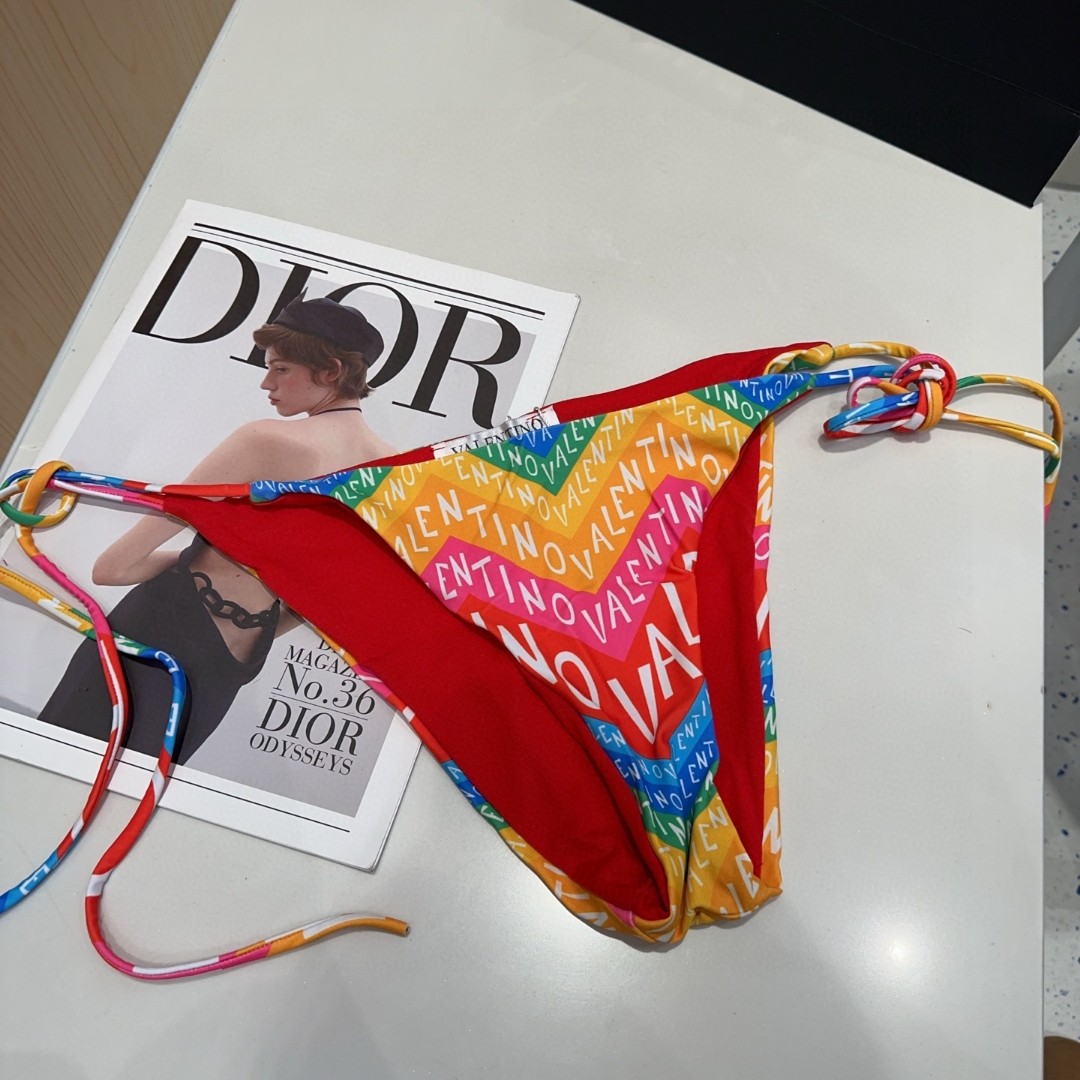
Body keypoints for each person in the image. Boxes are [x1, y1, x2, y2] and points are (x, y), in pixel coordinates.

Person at [38, 296, 395, 764]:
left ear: (330, 371)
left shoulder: (265, 439)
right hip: (236, 662)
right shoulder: (391, 475)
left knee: (46, 768)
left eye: (281, 369)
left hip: (155, 630)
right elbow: (327, 601)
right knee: (132, 790)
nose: (266, 383)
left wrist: (206, 559)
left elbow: (113, 568)